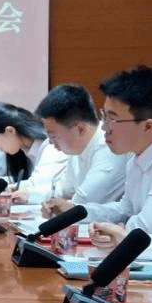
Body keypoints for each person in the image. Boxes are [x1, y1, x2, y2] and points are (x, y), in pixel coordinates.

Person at [54, 66, 152, 260]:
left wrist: (115, 232)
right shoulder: (138, 155)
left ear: (147, 126)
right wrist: (77, 212)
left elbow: (146, 229)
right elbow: (126, 209)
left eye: (112, 119)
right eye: (104, 116)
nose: (104, 127)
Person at [34, 84, 127, 214]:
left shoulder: (108, 147)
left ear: (80, 129)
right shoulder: (79, 148)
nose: (50, 142)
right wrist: (42, 199)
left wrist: (62, 205)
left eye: (53, 136)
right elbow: (64, 189)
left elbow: (85, 200)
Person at [0, 101, 68, 203]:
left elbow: (38, 186)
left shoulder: (51, 146)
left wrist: (6, 187)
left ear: (10, 131)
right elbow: (28, 182)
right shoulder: (25, 150)